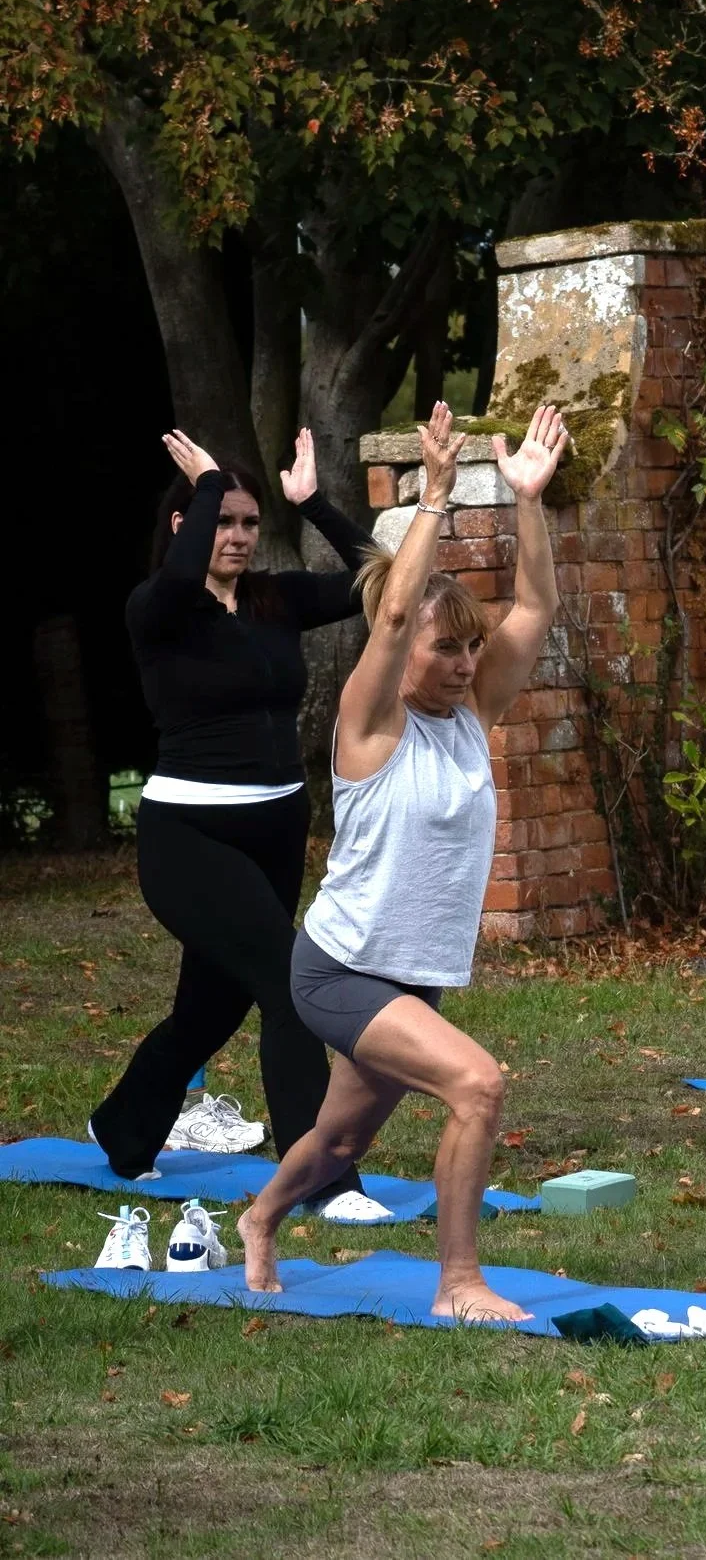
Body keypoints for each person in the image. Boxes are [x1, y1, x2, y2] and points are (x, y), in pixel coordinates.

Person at [237, 401, 569, 1322]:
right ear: (406, 647)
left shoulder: (470, 716)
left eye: (471, 647)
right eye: (445, 647)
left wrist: (528, 503)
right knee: (478, 1083)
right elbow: (387, 619)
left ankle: (260, 1218)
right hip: (340, 965)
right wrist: (435, 495)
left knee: (341, 1137)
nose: (465, 663)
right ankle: (459, 1282)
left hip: (409, 974)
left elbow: (536, 604)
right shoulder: (370, 721)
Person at [90, 426, 383, 1217]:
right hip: (188, 838)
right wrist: (211, 478)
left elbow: (376, 579)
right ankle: (321, 1175)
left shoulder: (275, 601)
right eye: (221, 518)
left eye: (250, 523)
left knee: (210, 1010)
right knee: (293, 984)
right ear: (184, 526)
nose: (238, 535)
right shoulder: (159, 610)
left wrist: (312, 502)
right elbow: (180, 582)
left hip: (275, 830)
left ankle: (121, 1127)